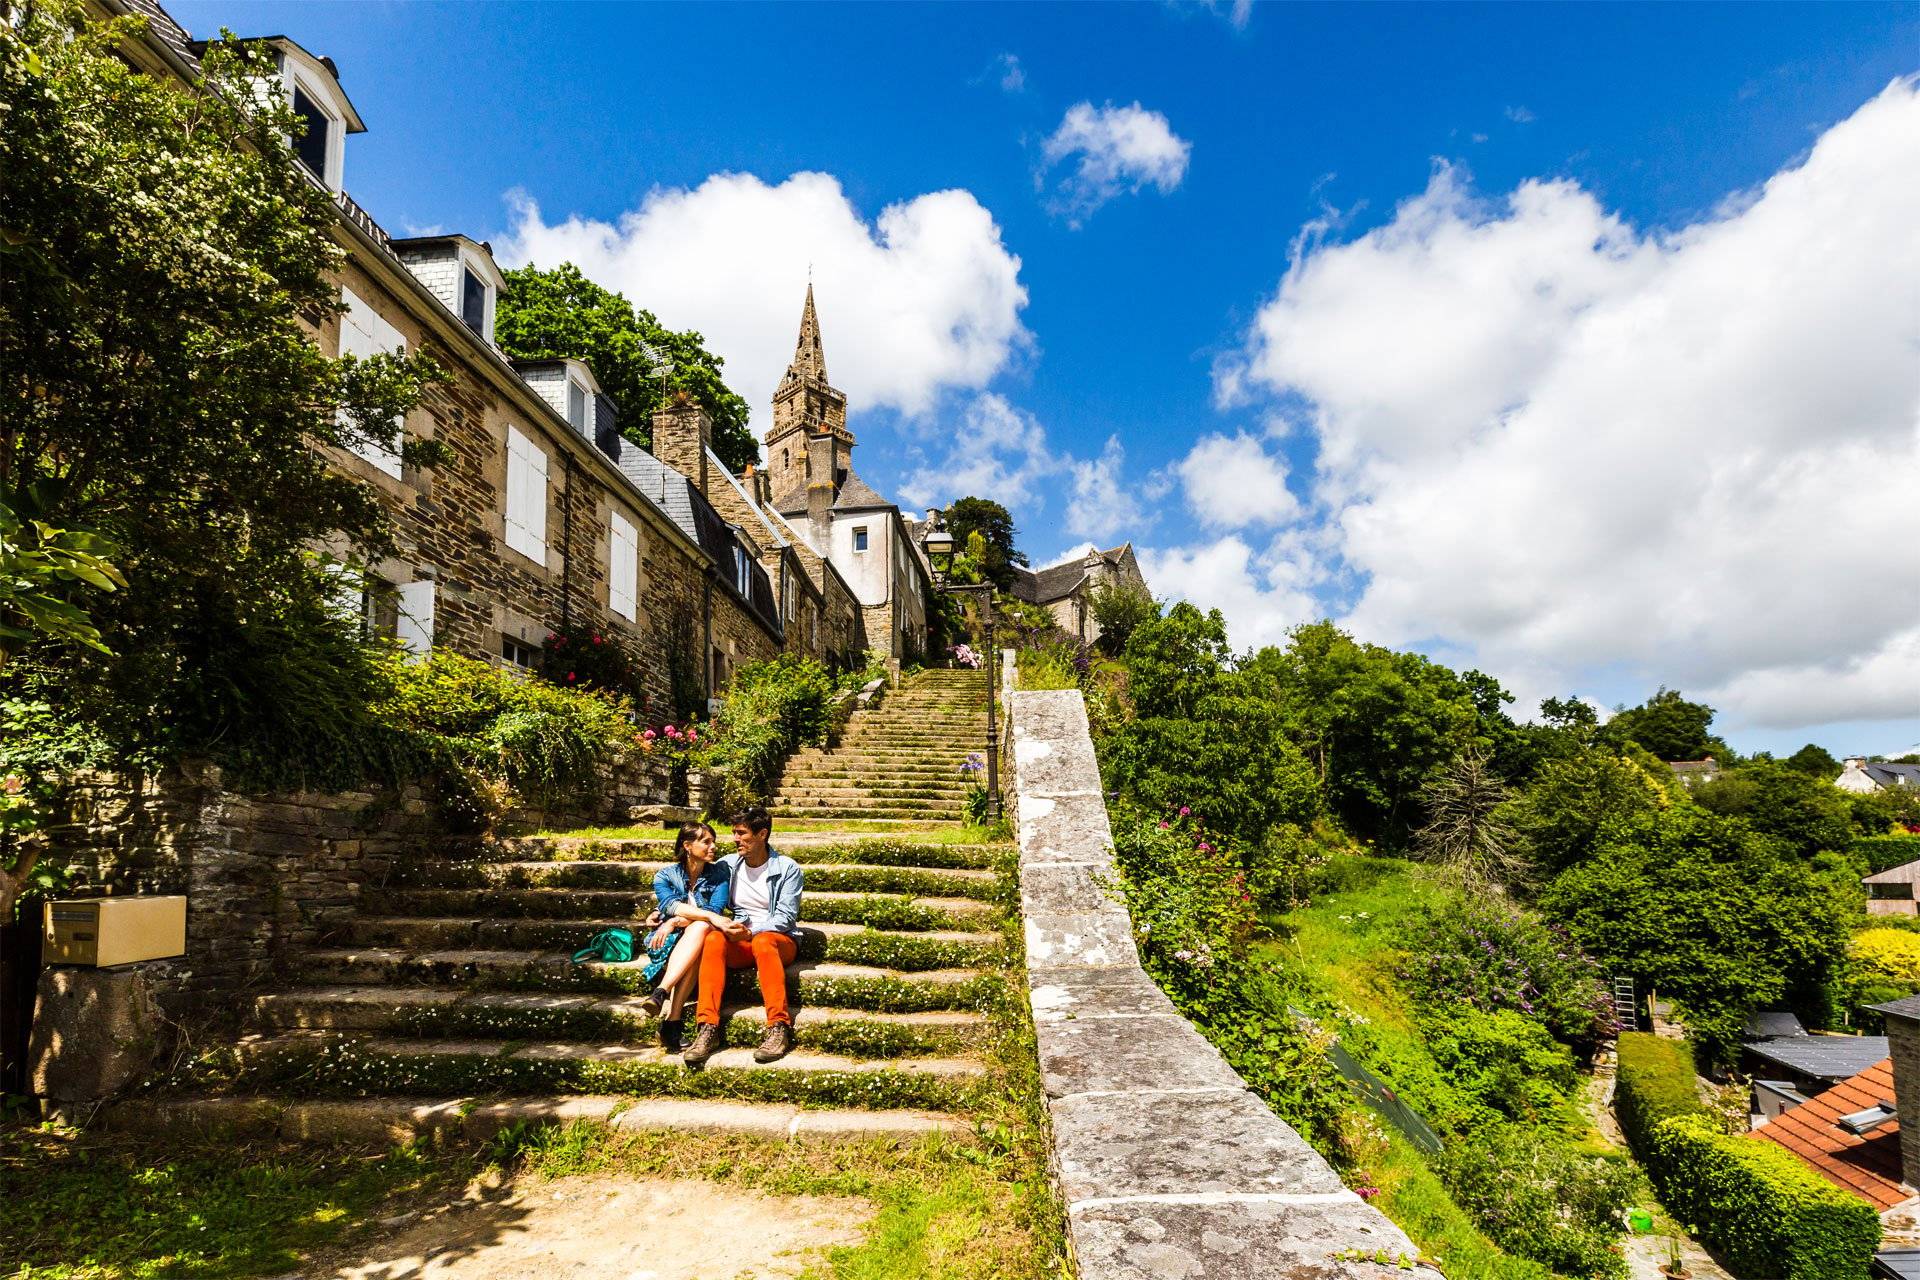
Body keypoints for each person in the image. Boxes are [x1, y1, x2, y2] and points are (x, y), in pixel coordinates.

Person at [682, 804, 805, 1067]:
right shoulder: (728, 865)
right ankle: (707, 1027)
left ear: (762, 834)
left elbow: (785, 917)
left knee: (763, 940)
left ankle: (778, 1026)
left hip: (778, 940)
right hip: (742, 940)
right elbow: (696, 888)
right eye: (735, 833)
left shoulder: (787, 868)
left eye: (742, 833)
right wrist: (666, 913)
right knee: (713, 939)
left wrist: (750, 932)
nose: (735, 839)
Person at [639, 820, 731, 1053]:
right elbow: (670, 905)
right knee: (701, 930)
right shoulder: (665, 876)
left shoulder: (720, 873)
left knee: (700, 931)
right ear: (687, 845)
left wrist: (677, 920)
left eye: (714, 842)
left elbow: (715, 911)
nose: (713, 847)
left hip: (691, 936)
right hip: (666, 939)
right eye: (706, 842)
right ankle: (670, 1022)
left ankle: (662, 994)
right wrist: (672, 919)